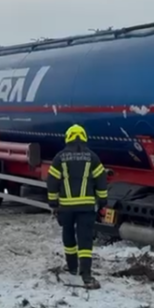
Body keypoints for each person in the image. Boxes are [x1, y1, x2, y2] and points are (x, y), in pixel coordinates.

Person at [46, 124, 108, 289]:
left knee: (68, 235)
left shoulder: (60, 158)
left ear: (68, 138)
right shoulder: (92, 157)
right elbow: (101, 180)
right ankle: (86, 273)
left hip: (66, 208)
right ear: (83, 137)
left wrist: (53, 202)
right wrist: (102, 201)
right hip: (86, 208)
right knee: (85, 238)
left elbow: (52, 182)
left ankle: (72, 267)